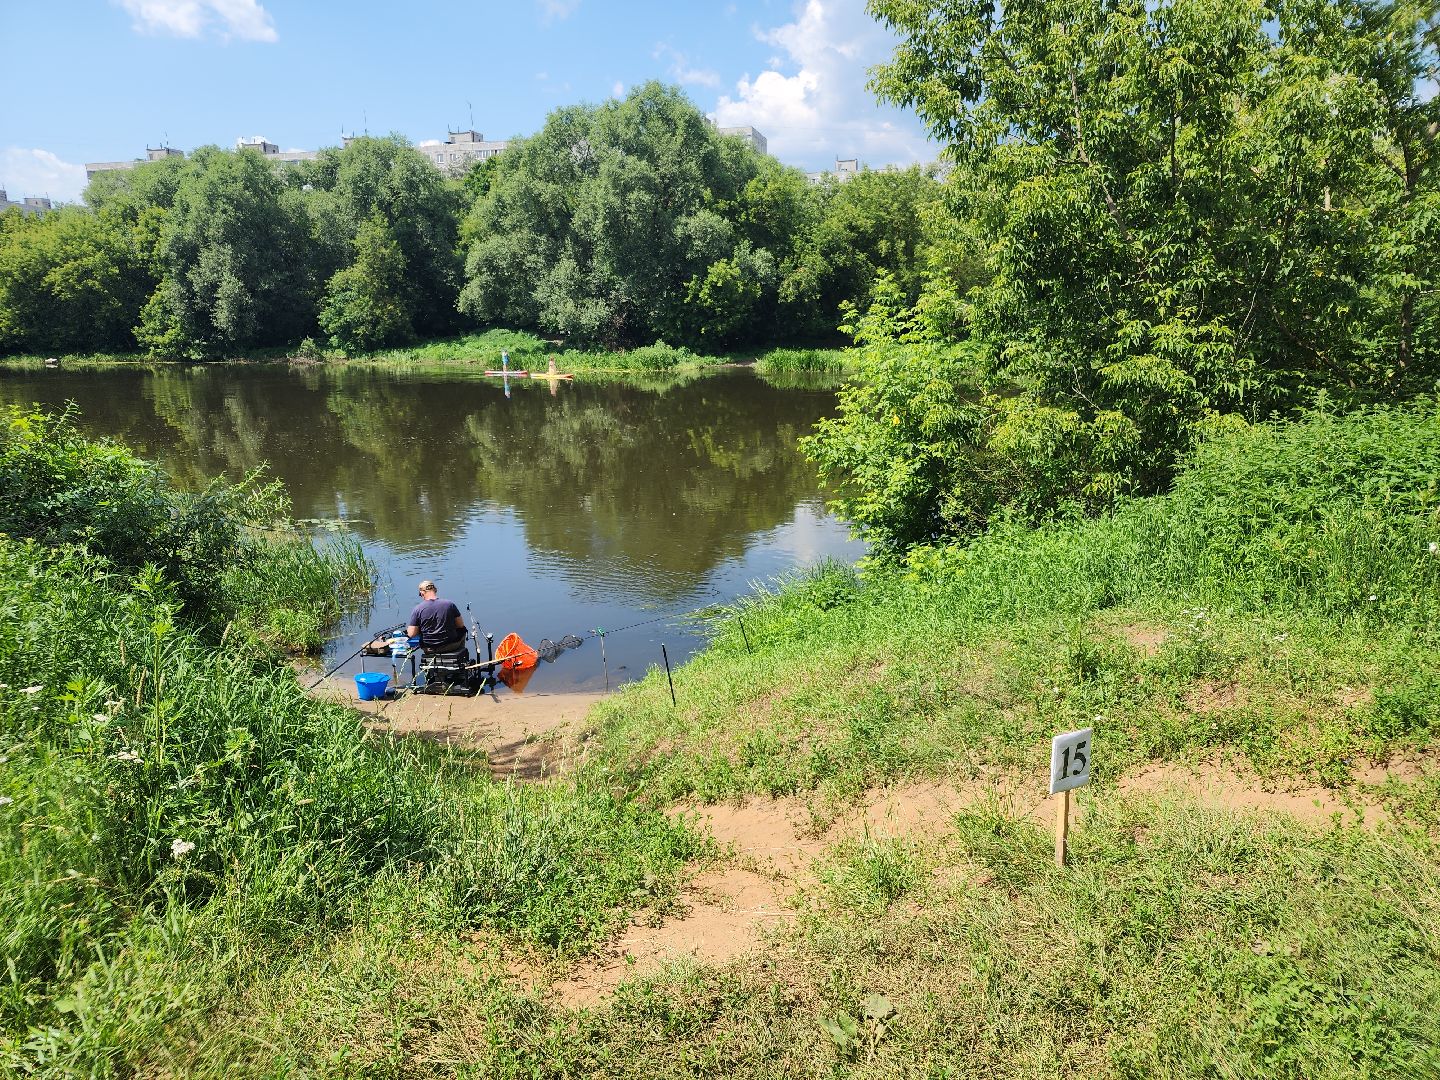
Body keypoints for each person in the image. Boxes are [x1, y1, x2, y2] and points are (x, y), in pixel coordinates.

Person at [407, 580, 467, 653]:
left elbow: (411, 634)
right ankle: (461, 655)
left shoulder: (418, 609)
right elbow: (460, 625)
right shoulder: (449, 604)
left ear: (422, 593)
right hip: (451, 646)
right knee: (463, 630)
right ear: (435, 590)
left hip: (429, 648)